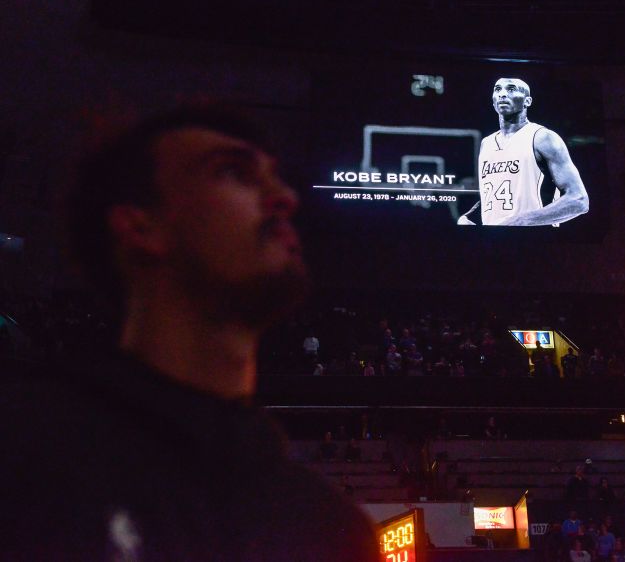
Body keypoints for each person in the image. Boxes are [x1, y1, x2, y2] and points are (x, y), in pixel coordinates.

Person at [0, 105, 378, 559]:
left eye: (274, 176)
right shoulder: (26, 446)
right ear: (140, 224)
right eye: (233, 172)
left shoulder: (330, 523)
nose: (284, 198)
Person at [458, 77, 589, 226]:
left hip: (536, 242)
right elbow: (498, 193)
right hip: (492, 243)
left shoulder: (543, 137)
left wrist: (521, 220)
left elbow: (579, 200)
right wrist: (469, 216)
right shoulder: (486, 143)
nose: (502, 94)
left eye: (511, 89)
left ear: (527, 101)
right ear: (493, 101)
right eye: (497, 89)